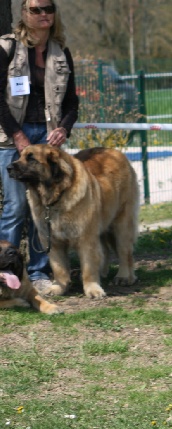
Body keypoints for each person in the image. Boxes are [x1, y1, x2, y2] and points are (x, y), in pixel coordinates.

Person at [0, 0, 78, 294]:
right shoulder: (7, 47)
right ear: (23, 14)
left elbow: (72, 102)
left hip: (46, 143)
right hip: (11, 140)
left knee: (43, 209)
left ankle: (38, 273)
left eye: (48, 9)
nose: (43, 14)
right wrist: (17, 134)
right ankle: (5, 276)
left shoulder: (61, 51)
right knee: (16, 207)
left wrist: (64, 128)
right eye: (35, 9)